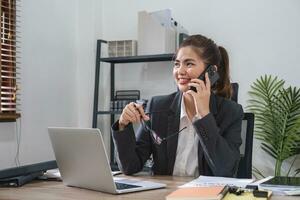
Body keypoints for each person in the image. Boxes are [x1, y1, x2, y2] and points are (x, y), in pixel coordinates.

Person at [111, 34, 243, 177]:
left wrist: (204, 116)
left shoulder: (230, 112)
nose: (180, 71)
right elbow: (130, 166)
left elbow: (226, 170)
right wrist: (123, 124)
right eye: (177, 64)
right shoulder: (157, 107)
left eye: (189, 64)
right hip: (165, 193)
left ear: (211, 72)